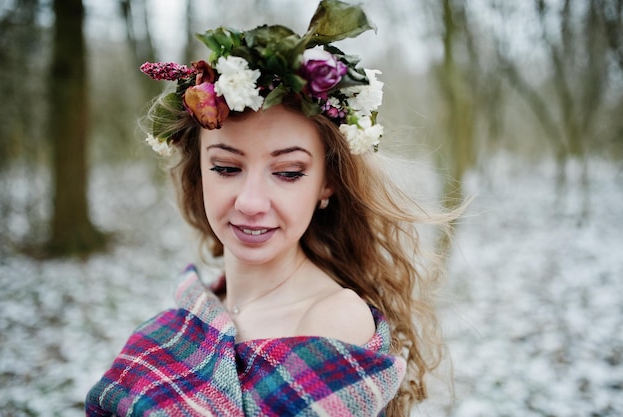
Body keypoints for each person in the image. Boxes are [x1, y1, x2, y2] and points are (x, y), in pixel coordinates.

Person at [86, 1, 458, 416]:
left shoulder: (334, 321)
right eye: (227, 168)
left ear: (327, 182)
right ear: (199, 173)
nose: (250, 202)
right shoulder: (189, 312)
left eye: (288, 172)